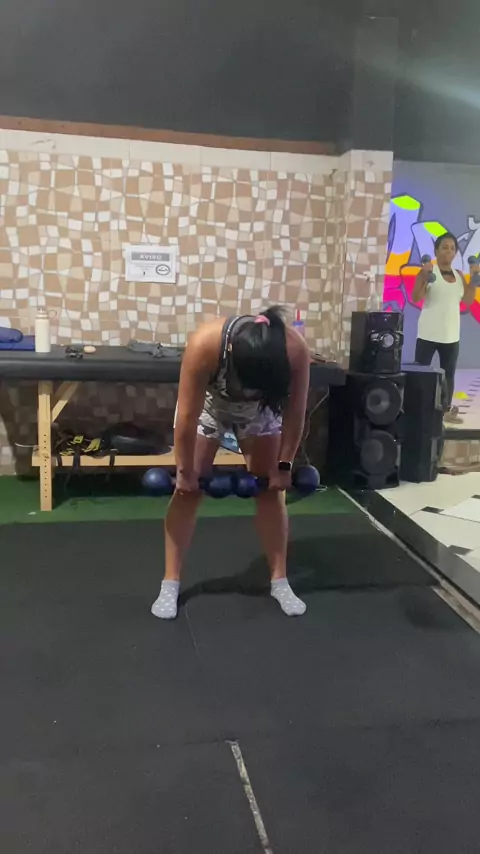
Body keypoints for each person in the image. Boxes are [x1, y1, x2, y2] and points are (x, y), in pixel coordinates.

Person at [151, 306, 311, 620]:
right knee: (187, 492)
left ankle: (279, 581)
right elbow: (187, 417)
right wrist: (184, 472)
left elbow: (295, 414)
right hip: (210, 405)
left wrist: (284, 466)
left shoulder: (295, 350)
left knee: (270, 492)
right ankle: (170, 583)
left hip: (261, 411)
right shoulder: (205, 344)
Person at [412, 233, 478, 424]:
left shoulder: (458, 275)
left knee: (448, 375)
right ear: (436, 251)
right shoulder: (428, 271)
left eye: (452, 248)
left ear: (455, 253)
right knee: (420, 374)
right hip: (428, 333)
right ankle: (416, 410)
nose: (449, 251)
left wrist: (474, 281)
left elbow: (467, 301)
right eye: (444, 247)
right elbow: (416, 297)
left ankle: (445, 411)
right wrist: (424, 278)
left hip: (450, 335)